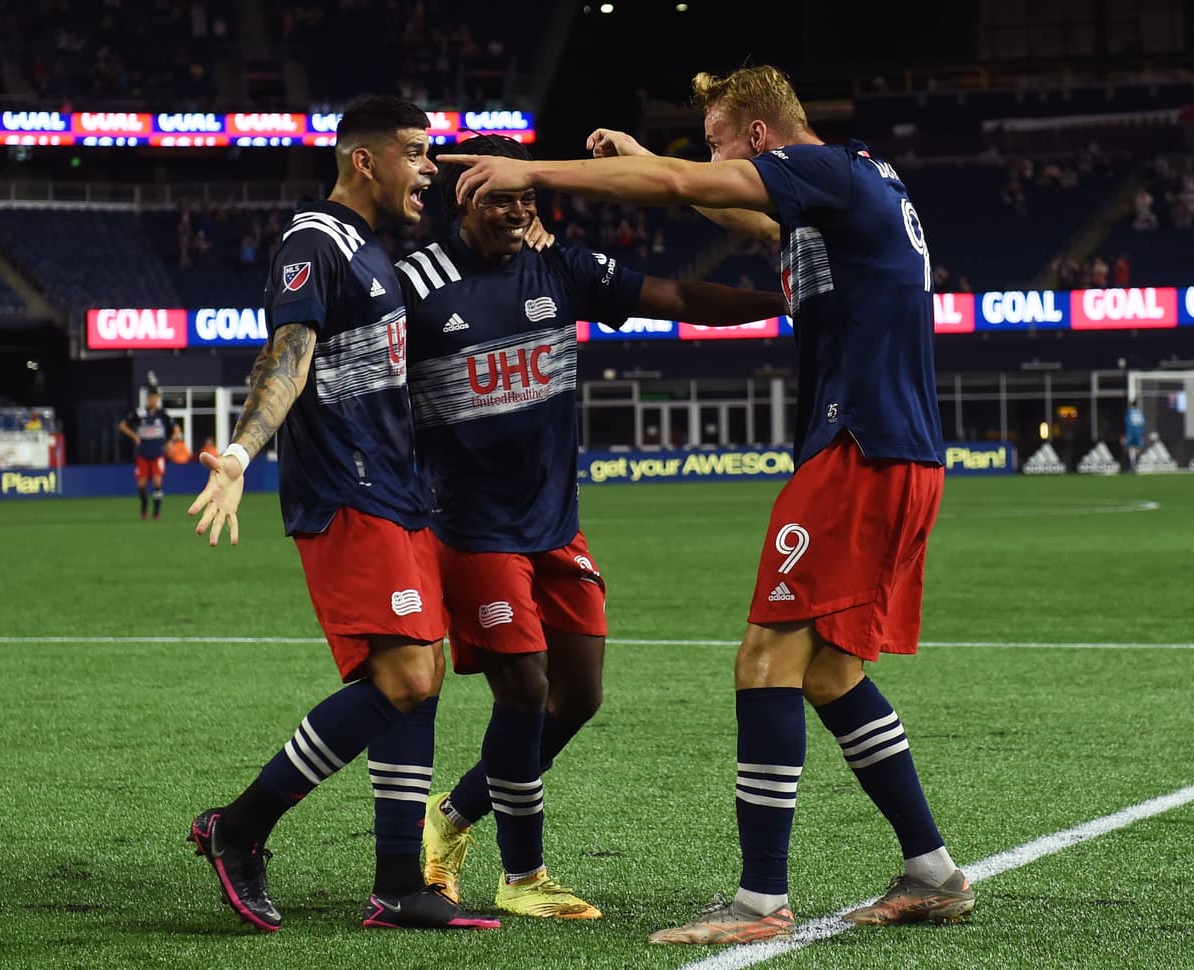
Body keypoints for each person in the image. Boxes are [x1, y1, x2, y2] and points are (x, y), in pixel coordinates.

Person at [441, 62, 974, 944]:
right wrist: (652, 154)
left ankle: (760, 901)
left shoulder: (830, 170)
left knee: (764, 660)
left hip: (859, 447)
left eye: (723, 142)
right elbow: (732, 206)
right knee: (829, 670)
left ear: (760, 138)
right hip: (896, 450)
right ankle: (932, 871)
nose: (717, 159)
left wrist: (535, 172)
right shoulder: (855, 184)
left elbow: (690, 184)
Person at [376, 133, 788, 923]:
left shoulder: (559, 267)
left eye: (527, 197)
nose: (519, 210)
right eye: (502, 197)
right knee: (525, 693)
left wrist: (782, 307)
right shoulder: (413, 287)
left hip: (556, 523)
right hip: (471, 527)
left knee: (580, 695)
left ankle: (453, 814)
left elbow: (678, 299)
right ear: (466, 199)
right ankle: (521, 877)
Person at [183, 95, 499, 935]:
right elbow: (287, 354)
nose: (429, 167)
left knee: (421, 673)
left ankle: (397, 884)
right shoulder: (313, 241)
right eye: (416, 151)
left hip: (399, 494)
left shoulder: (373, 255)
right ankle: (238, 827)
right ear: (366, 160)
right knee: (401, 677)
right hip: (347, 492)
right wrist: (243, 453)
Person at [117, 386, 174, 520]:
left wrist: (169, 442)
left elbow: (176, 429)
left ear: (158, 399)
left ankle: (156, 512)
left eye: (155, 398)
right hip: (143, 454)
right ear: (148, 399)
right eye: (150, 398)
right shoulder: (140, 413)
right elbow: (122, 425)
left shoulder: (162, 414)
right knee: (141, 485)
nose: (153, 400)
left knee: (157, 483)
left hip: (157, 453)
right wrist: (134, 436)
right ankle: (144, 505)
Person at [1124, 399, 1145, 470]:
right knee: (1137, 448)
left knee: (1131, 448)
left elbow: (1127, 422)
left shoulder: (1129, 412)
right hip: (1139, 432)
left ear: (1131, 405)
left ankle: (1133, 463)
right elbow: (1143, 422)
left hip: (1131, 432)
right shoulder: (1139, 413)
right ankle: (1137, 463)